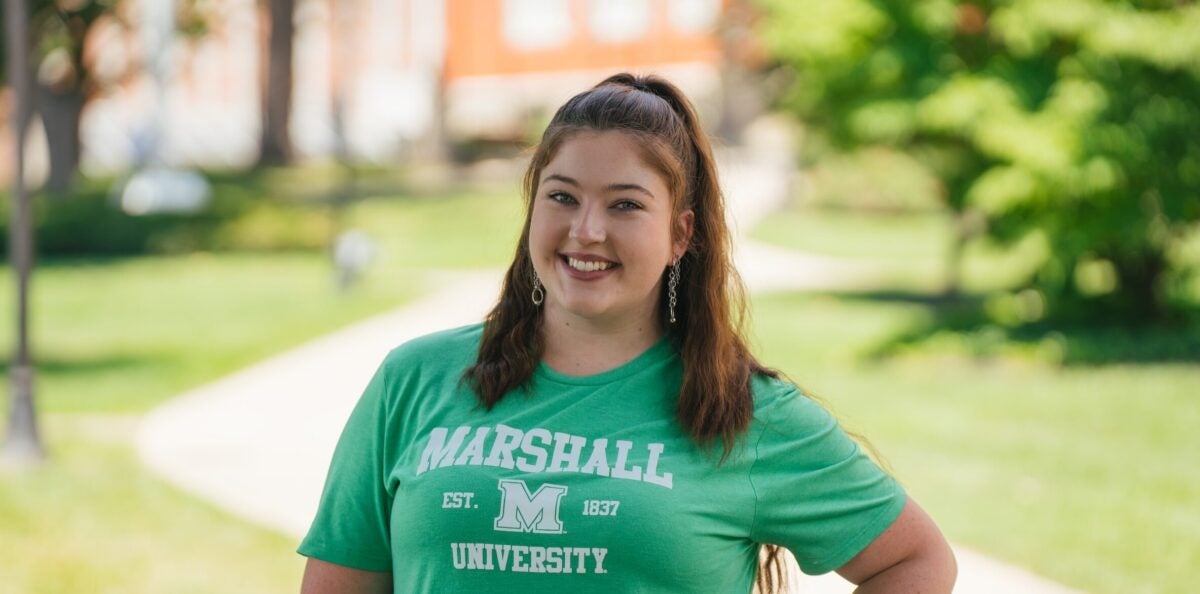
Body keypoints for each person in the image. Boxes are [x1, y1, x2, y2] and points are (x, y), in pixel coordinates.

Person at [298, 73, 957, 594]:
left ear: (681, 234)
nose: (586, 230)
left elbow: (916, 560)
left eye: (625, 204)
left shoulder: (744, 413)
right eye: (561, 196)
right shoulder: (414, 380)